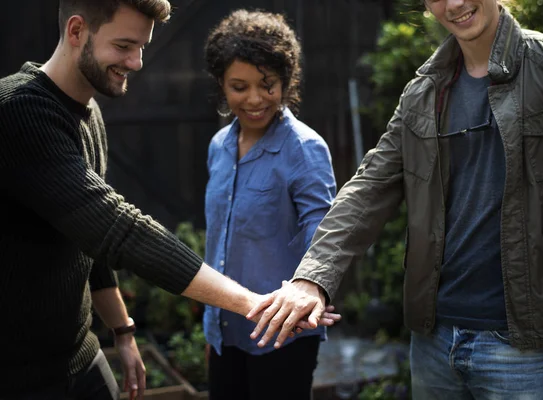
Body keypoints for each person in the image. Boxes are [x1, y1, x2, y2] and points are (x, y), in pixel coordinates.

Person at [248, 0, 543, 399]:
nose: (455, 4)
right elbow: (369, 189)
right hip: (434, 343)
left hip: (527, 349)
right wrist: (312, 278)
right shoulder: (423, 92)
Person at [0, 1, 339, 399]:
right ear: (76, 31)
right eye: (125, 45)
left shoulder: (88, 113)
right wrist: (251, 304)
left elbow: (88, 242)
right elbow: (117, 229)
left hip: (81, 356)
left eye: (142, 47)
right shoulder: (17, 111)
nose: (138, 62)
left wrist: (123, 332)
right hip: (20, 374)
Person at [201, 9, 337, 400]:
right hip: (225, 331)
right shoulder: (218, 147)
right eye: (239, 87)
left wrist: (317, 289)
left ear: (286, 81)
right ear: (222, 87)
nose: (255, 99)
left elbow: (322, 234)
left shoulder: (304, 149)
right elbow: (219, 242)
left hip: (283, 334)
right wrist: (213, 324)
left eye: (268, 84)